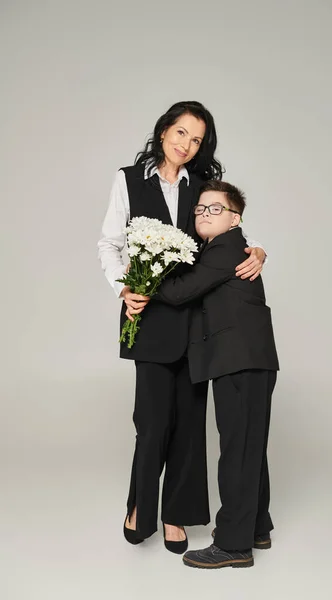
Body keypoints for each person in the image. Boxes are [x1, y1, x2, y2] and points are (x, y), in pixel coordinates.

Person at [97, 101, 267, 554]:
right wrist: (121, 288)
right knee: (151, 420)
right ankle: (141, 506)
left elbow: (228, 224)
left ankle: (178, 514)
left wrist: (256, 250)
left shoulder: (203, 185)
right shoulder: (128, 179)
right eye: (180, 133)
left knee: (191, 423)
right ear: (163, 130)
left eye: (196, 140)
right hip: (147, 313)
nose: (186, 145)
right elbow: (109, 243)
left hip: (195, 316)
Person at [151, 180, 279, 568]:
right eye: (200, 209)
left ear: (234, 219)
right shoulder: (228, 247)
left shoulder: (225, 249)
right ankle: (257, 526)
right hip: (250, 360)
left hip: (239, 360)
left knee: (237, 451)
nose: (204, 214)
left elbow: (179, 293)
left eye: (215, 209)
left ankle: (233, 544)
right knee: (248, 447)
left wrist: (143, 273)